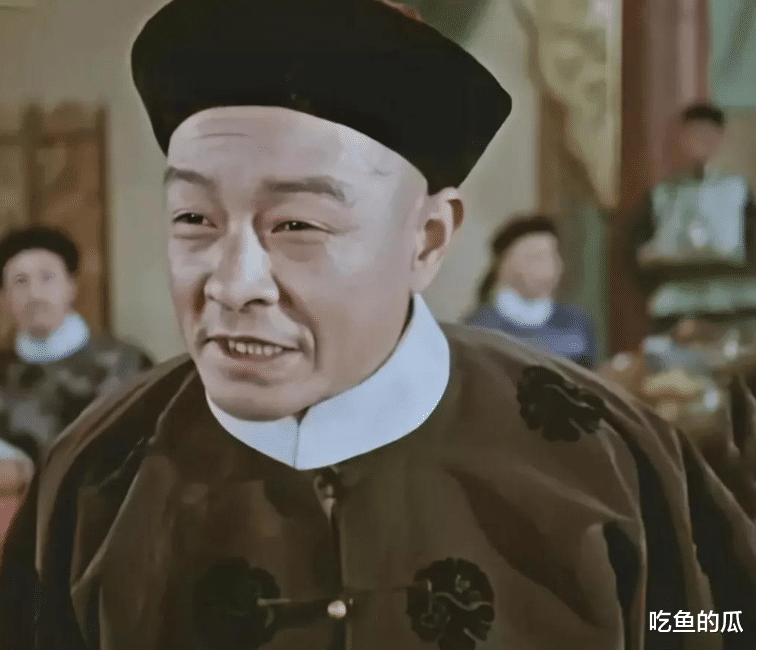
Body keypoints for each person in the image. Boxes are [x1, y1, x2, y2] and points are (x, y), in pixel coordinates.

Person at [0, 2, 753, 648]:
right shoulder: (96, 477)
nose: (232, 284)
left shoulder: (605, 452)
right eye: (194, 219)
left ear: (426, 239)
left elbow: (716, 622)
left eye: (295, 224)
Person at [0, 226, 153, 464]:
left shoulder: (126, 362)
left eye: (46, 278)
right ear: (5, 297)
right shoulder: (4, 375)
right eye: (20, 282)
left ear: (71, 286)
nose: (35, 294)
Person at [629, 102, 755, 337]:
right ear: (682, 138)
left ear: (720, 137)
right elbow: (638, 251)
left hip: (733, 307)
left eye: (707, 134)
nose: (700, 142)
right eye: (694, 134)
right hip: (676, 308)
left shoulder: (738, 191)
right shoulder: (661, 195)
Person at [466, 215, 596, 368]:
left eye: (553, 256)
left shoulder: (577, 324)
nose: (549, 268)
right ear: (503, 266)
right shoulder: (479, 326)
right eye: (536, 258)